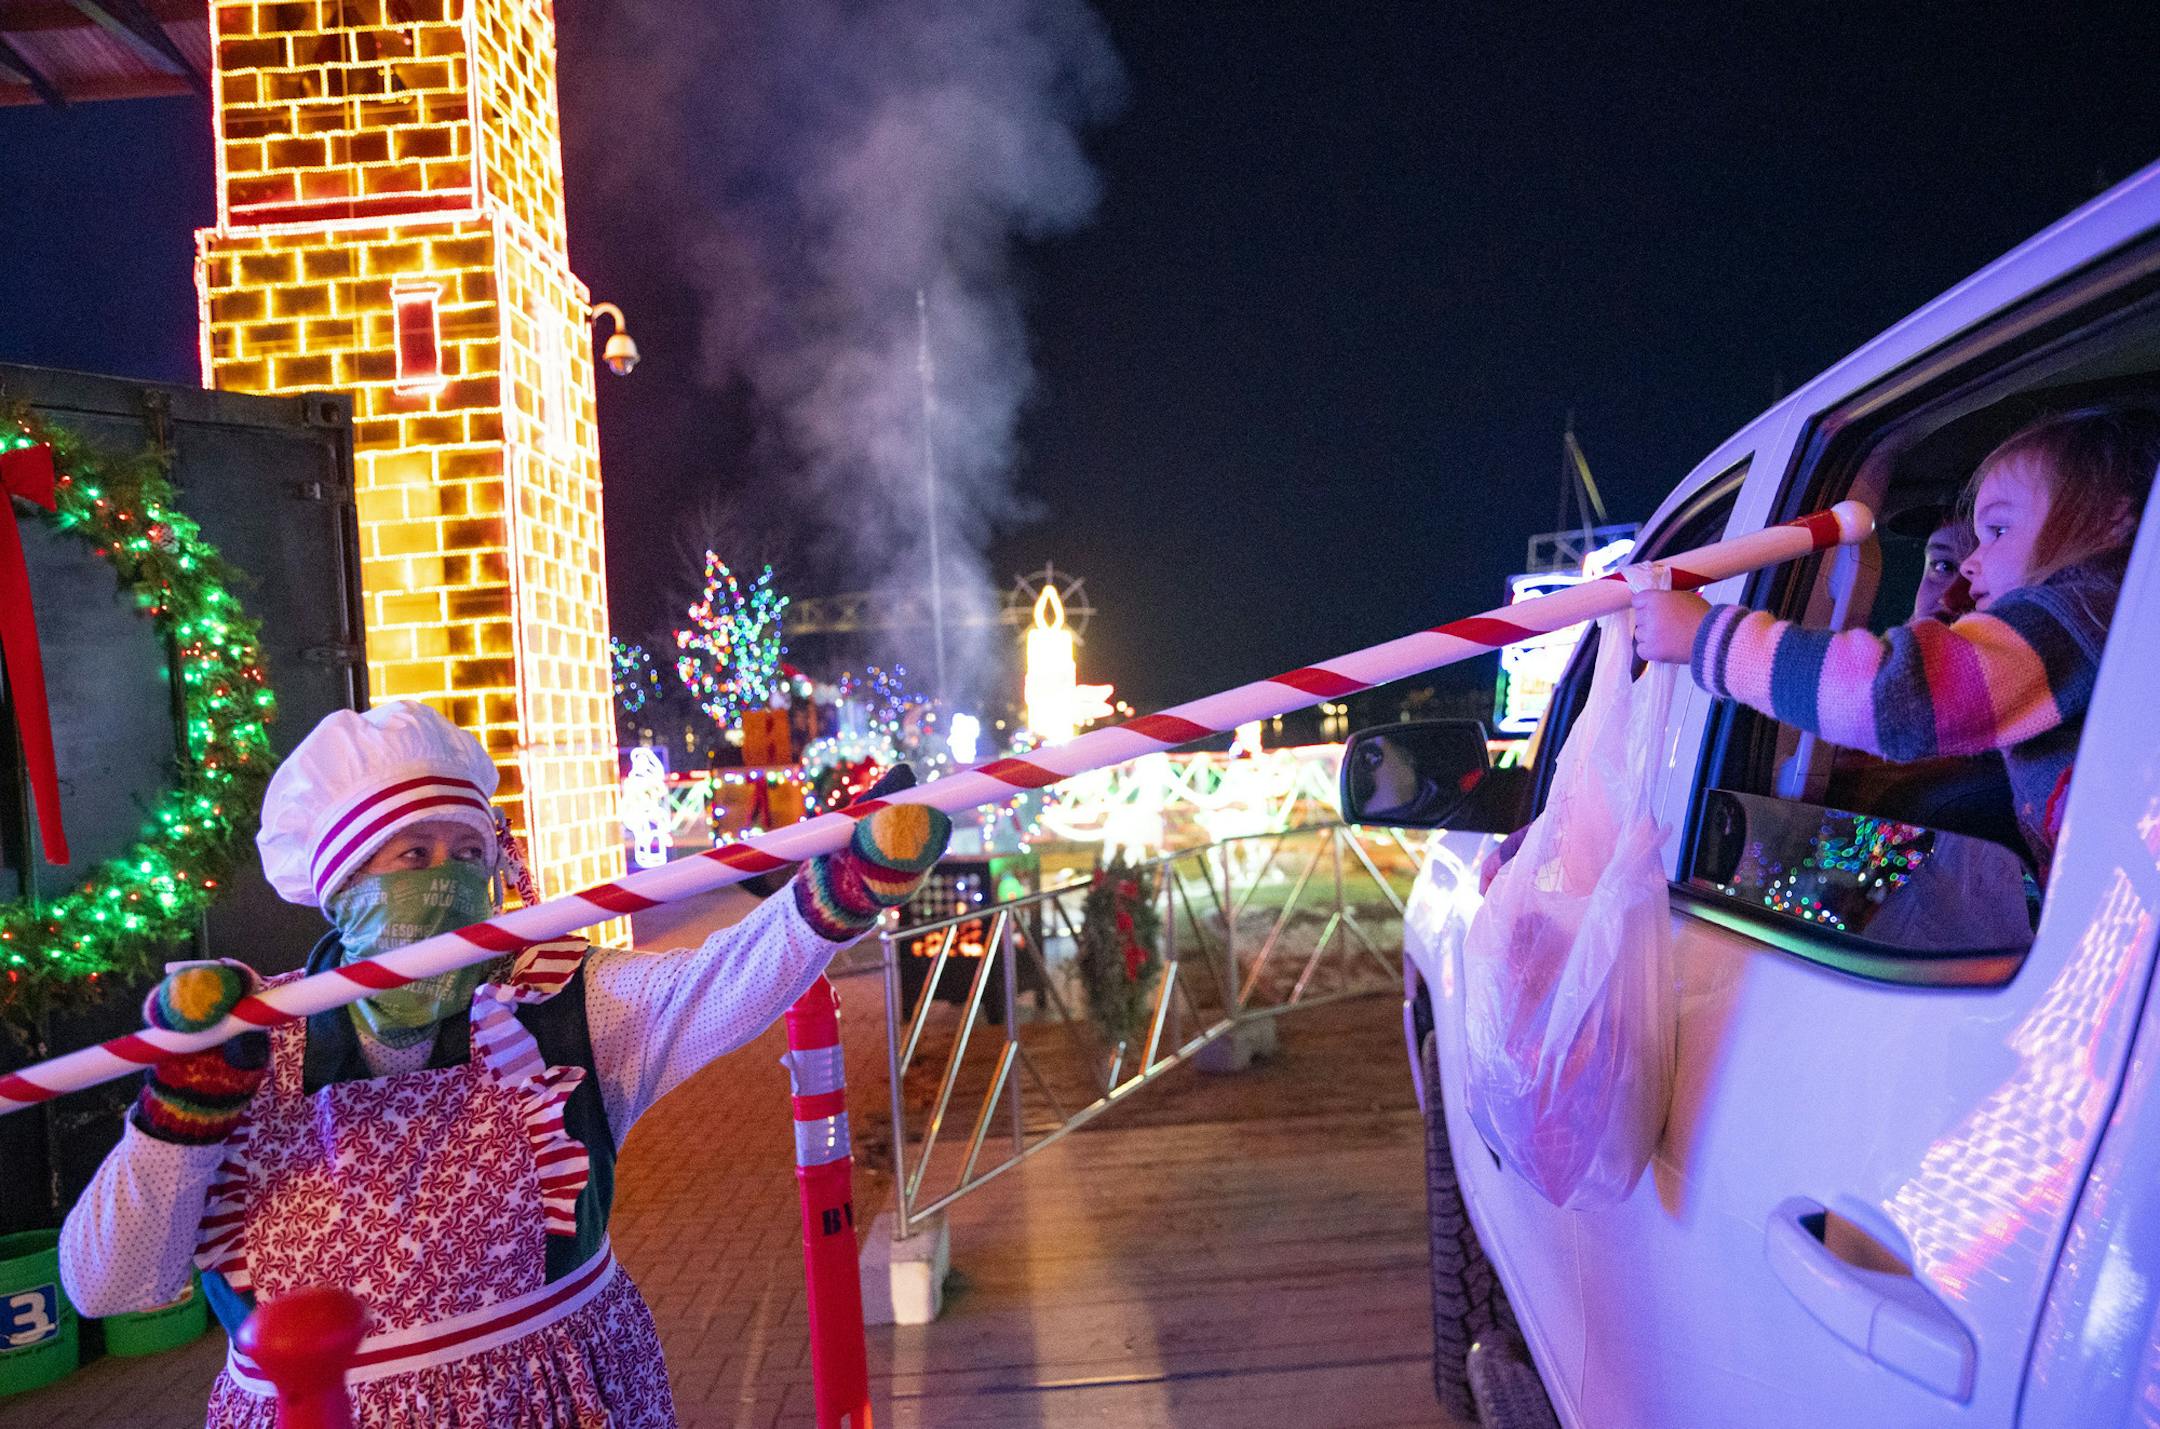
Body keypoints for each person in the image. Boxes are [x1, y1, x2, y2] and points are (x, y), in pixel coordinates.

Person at [59, 700, 950, 1427]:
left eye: (469, 854)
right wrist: (186, 1108)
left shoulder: (562, 1007)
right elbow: (104, 1281)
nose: (445, 880)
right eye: (413, 856)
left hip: (565, 1398)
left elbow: (719, 983)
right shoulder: (249, 1045)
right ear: (342, 883)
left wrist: (839, 889)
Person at [1633, 405, 2160, 875]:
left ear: (2112, 517)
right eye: (1953, 555)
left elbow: (1893, 696)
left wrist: (1707, 639)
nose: (1971, 568)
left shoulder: (2067, 617)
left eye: (1997, 531)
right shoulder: (2111, 627)